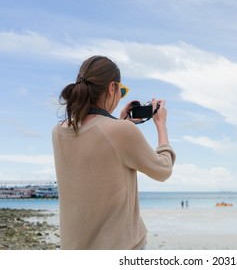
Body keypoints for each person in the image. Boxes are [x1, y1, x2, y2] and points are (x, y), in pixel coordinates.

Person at [52, 56, 175, 250]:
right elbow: (163, 170)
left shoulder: (58, 131)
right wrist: (161, 126)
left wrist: (119, 122)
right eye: (121, 91)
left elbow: (98, 155)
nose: (120, 96)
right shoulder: (121, 132)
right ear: (112, 88)